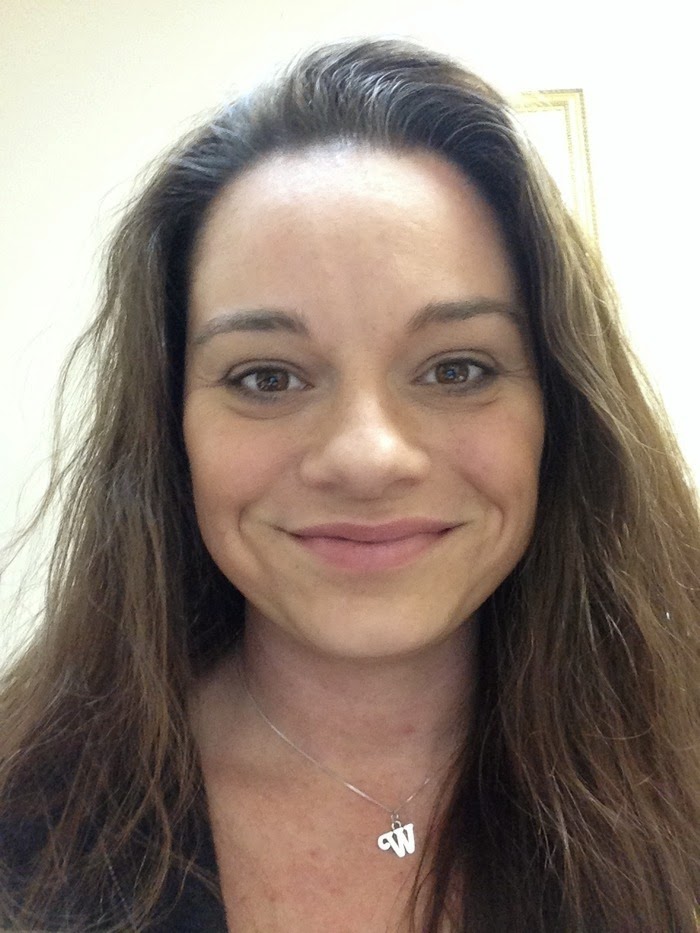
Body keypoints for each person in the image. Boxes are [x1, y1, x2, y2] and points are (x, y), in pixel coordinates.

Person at [1, 37, 698, 933]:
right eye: (267, 377)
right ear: (170, 428)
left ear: (558, 411)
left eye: (455, 368)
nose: (368, 456)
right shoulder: (25, 819)